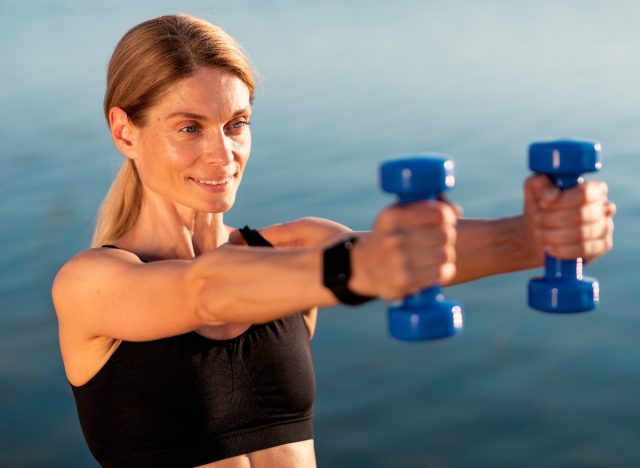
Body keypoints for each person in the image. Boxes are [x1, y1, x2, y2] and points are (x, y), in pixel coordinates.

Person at [51, 13, 616, 468]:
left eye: (237, 124)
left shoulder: (293, 248)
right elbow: (205, 292)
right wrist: (356, 270)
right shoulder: (92, 285)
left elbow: (422, 253)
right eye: (189, 127)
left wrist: (539, 235)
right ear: (125, 131)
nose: (223, 155)